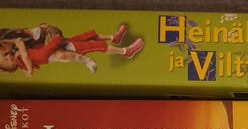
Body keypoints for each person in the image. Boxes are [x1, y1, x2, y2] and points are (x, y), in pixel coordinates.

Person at [0, 24, 143, 75]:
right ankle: (126, 51)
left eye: (5, 52)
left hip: (56, 42)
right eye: (6, 58)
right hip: (58, 46)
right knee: (94, 46)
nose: (9, 55)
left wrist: (42, 29)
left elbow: (29, 39)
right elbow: (31, 58)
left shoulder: (18, 44)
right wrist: (29, 70)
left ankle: (114, 37)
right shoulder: (20, 57)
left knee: (88, 37)